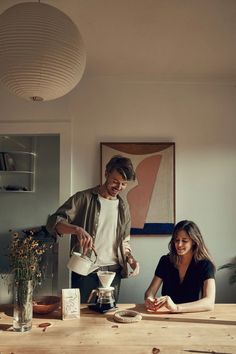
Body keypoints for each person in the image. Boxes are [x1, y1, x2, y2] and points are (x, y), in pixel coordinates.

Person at [46, 155, 139, 303]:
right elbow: (54, 222)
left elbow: (125, 241)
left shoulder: (123, 207)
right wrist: (76, 229)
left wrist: (130, 258)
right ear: (106, 173)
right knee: (84, 315)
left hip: (113, 271)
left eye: (123, 184)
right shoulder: (83, 198)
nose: (118, 187)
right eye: (115, 181)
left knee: (108, 317)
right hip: (86, 269)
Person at [144, 220, 215, 313]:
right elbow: (150, 292)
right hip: (166, 316)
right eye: (176, 240)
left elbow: (209, 303)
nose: (179, 244)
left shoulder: (205, 264)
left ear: (194, 241)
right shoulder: (165, 261)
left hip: (192, 316)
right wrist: (149, 299)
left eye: (184, 241)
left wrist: (176, 308)